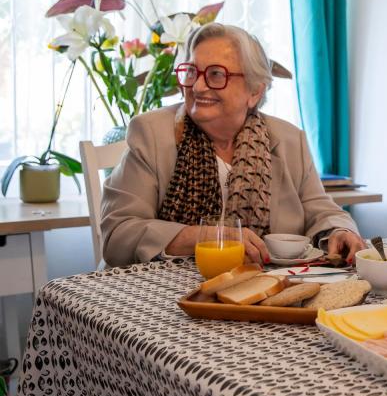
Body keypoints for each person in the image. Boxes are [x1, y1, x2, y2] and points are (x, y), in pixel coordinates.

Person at [102, 23, 365, 267]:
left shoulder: (288, 139)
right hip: (159, 295)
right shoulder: (152, 133)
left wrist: (340, 230)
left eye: (216, 74)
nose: (199, 85)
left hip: (261, 289)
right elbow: (118, 234)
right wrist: (206, 237)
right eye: (192, 72)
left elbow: (323, 211)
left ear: (255, 91)